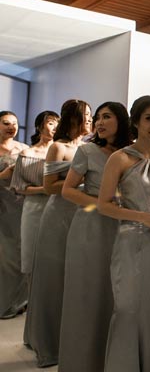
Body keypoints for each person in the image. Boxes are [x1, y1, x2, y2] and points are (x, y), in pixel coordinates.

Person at [98, 95, 150, 371]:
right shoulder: (119, 158)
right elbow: (103, 205)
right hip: (130, 242)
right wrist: (142, 217)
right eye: (149, 119)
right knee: (128, 307)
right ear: (135, 121)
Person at [59, 102, 131, 371]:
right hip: (90, 227)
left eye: (106, 117)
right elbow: (67, 190)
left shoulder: (131, 153)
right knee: (88, 293)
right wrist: (101, 205)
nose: (99, 122)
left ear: (121, 121)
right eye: (97, 117)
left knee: (117, 293)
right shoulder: (87, 151)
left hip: (124, 228)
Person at [26, 99, 92, 367]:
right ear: (73, 118)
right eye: (86, 115)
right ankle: (48, 343)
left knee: (75, 277)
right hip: (58, 216)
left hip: (82, 215)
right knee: (53, 277)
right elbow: (49, 186)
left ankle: (71, 339)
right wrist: (83, 182)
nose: (90, 120)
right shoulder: (58, 147)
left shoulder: (88, 148)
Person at [11, 111, 59, 279]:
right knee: (32, 255)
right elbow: (18, 186)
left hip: (58, 207)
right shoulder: (27, 153)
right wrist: (44, 189)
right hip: (34, 208)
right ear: (39, 127)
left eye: (58, 123)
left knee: (55, 257)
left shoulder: (63, 151)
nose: (55, 127)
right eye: (51, 123)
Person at [0, 110, 29, 319]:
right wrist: (4, 174)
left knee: (18, 253)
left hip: (20, 204)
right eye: (6, 123)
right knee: (4, 256)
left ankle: (19, 301)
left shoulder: (24, 149)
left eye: (15, 123)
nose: (12, 127)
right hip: (2, 204)